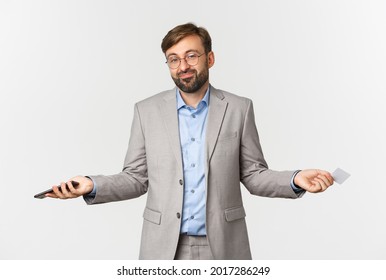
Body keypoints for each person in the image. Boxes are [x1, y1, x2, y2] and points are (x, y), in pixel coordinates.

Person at [46, 23, 334, 260]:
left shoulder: (239, 108)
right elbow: (135, 178)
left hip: (223, 246)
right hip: (163, 248)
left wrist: (295, 179)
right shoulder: (146, 111)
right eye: (174, 59)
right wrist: (91, 184)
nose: (182, 65)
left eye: (191, 56)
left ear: (209, 58)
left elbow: (254, 175)